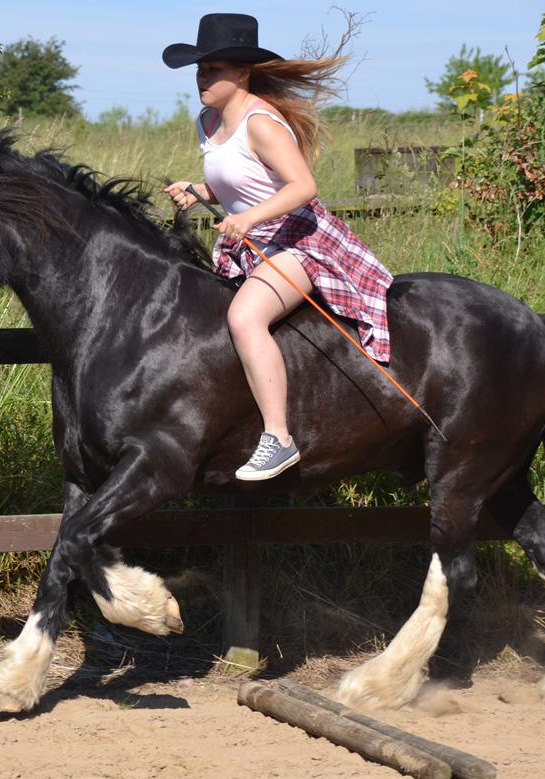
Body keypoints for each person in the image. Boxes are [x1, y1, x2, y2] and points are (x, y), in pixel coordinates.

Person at [162, 12, 394, 482]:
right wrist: (199, 191)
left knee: (244, 317)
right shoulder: (207, 121)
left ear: (243, 73)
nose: (202, 79)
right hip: (253, 244)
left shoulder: (261, 123)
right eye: (199, 70)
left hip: (300, 241)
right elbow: (242, 182)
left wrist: (249, 218)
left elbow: (302, 186)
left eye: (213, 70)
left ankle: (279, 439)